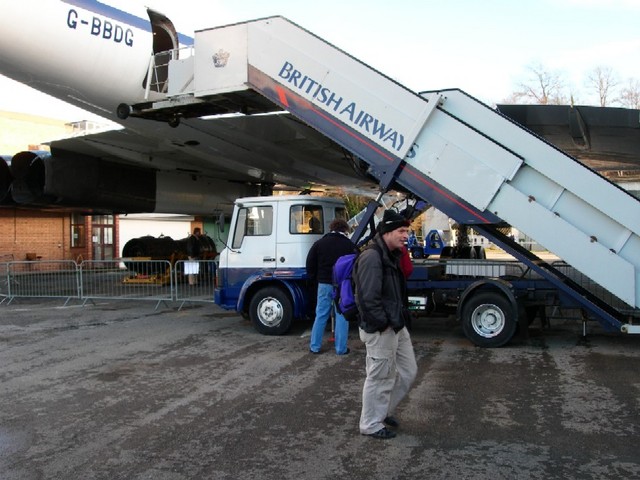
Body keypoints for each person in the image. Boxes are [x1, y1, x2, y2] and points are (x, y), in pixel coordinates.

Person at [353, 209, 418, 439]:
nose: (405, 236)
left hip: (396, 324)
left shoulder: (393, 254)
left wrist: (396, 321)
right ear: (387, 232)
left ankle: (382, 412)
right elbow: (367, 299)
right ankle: (370, 424)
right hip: (383, 328)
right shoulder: (372, 257)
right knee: (379, 376)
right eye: (401, 231)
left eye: (406, 231)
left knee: (409, 372)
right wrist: (383, 325)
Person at [306, 218, 358, 355]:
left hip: (324, 284)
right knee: (341, 315)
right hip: (342, 285)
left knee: (321, 315)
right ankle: (341, 349)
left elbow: (310, 263)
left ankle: (315, 346)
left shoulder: (319, 243)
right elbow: (357, 263)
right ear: (345, 229)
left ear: (331, 228)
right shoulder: (349, 244)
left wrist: (314, 279)